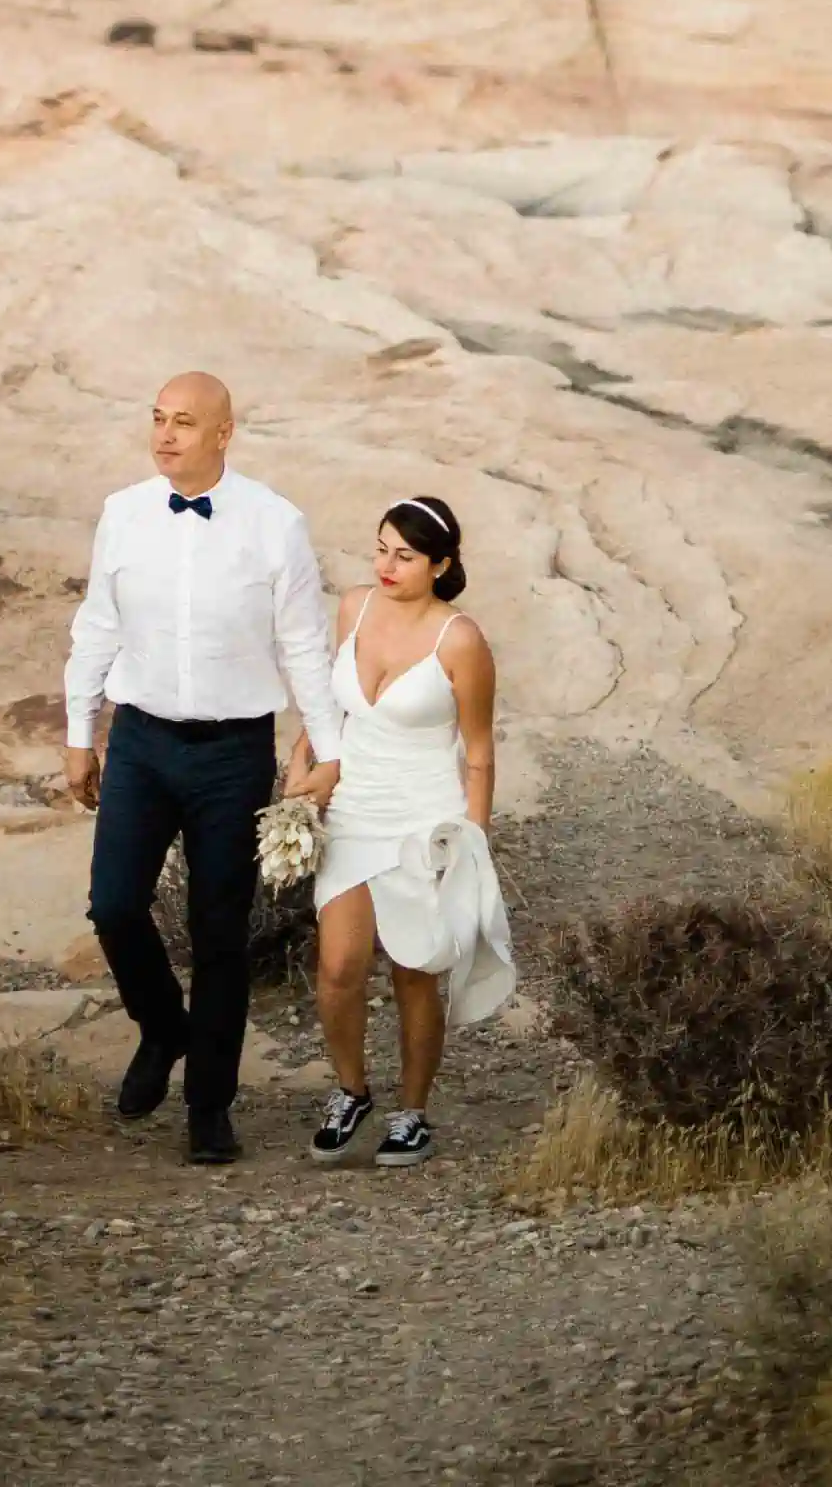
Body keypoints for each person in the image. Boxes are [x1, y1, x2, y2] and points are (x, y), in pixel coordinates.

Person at [63, 369, 344, 1167]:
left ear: (224, 432)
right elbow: (97, 624)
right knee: (114, 906)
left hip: (233, 750)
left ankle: (209, 1106)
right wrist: (79, 731)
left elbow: (303, 646)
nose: (164, 435)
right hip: (142, 741)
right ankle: (162, 1028)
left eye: (183, 422)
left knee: (221, 933)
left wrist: (330, 752)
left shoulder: (275, 523)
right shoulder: (122, 514)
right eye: (157, 419)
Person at [285, 491, 513, 1166]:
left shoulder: (460, 639)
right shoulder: (354, 607)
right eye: (381, 549)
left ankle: (413, 1113)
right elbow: (328, 703)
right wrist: (305, 759)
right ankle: (351, 1090)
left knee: (415, 971)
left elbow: (478, 752)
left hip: (424, 817)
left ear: (440, 565)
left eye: (405, 556)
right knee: (338, 967)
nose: (387, 566)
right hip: (354, 809)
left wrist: (471, 843)